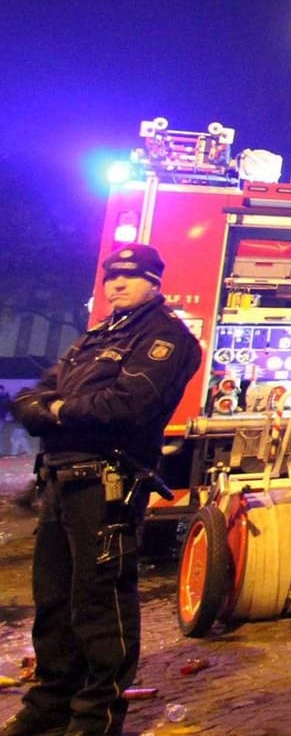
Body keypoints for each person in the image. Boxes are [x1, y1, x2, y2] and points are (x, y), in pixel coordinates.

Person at [5, 244, 201, 736]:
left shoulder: (166, 338)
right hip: (61, 480)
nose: (116, 285)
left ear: (154, 283)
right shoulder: (98, 336)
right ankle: (51, 703)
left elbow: (126, 405)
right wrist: (52, 407)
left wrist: (56, 411)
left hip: (106, 484)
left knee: (100, 604)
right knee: (54, 602)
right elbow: (32, 395)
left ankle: (96, 718)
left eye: (129, 277)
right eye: (111, 276)